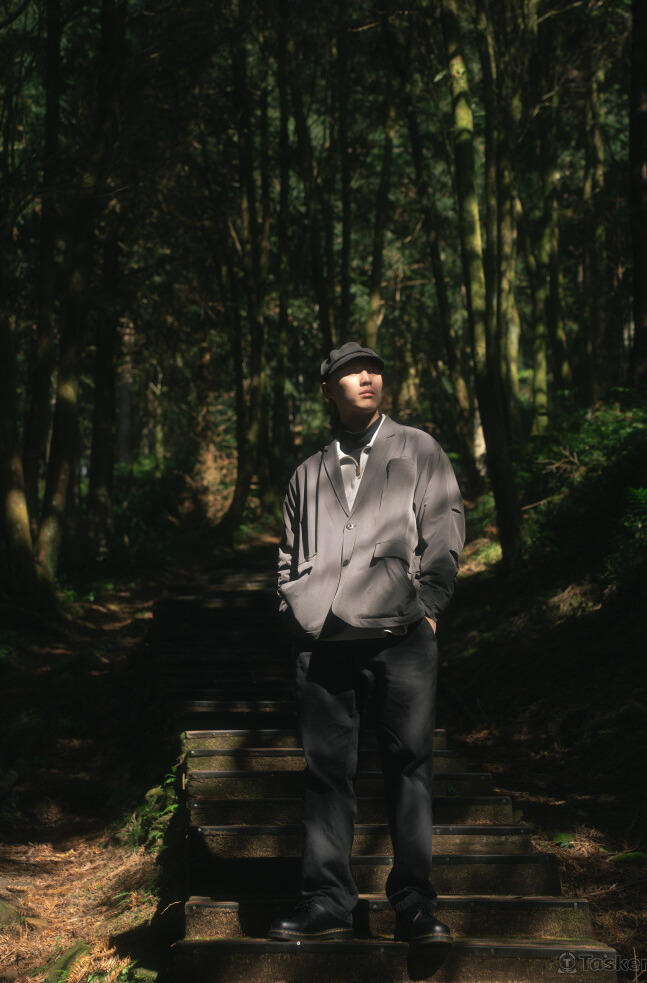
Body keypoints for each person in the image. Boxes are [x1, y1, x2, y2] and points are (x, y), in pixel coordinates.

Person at [268, 341, 465, 946]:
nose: (366, 377)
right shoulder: (307, 472)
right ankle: (327, 900)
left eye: (373, 369)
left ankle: (414, 904)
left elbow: (445, 527)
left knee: (411, 766)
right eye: (351, 371)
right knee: (326, 773)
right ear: (328, 390)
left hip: (400, 635)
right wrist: (294, 607)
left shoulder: (419, 449)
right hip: (323, 640)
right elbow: (287, 553)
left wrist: (429, 604)